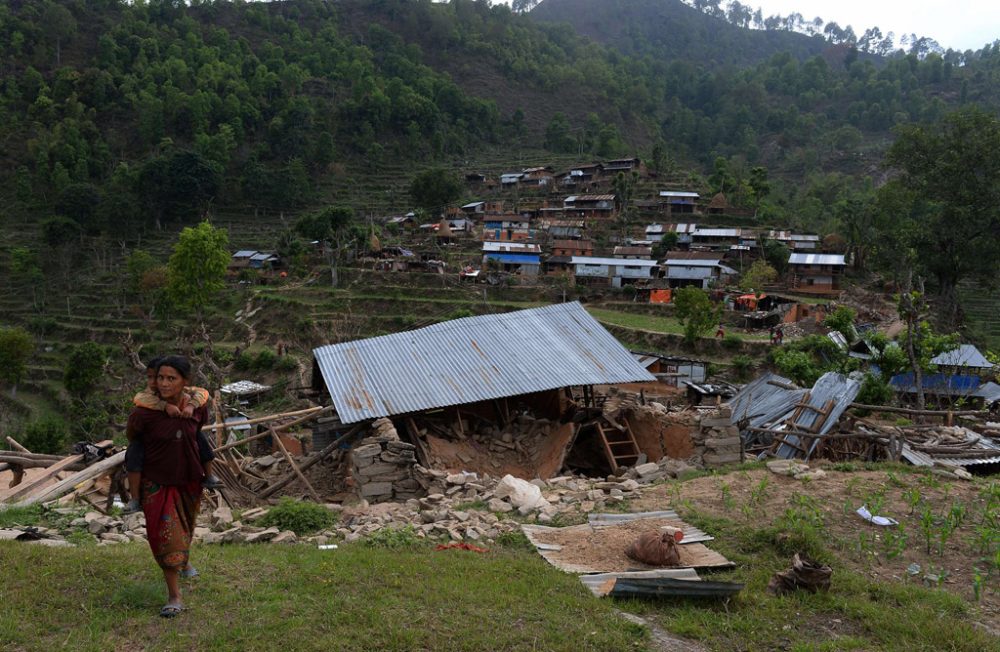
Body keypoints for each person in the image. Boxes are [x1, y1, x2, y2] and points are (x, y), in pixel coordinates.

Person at [126, 356, 211, 618]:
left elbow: (198, 432)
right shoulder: (144, 413)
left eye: (171, 378)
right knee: (165, 536)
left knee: (185, 528)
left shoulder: (197, 407)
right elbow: (133, 438)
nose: (163, 383)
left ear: (186, 382)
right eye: (160, 377)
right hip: (158, 483)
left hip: (188, 481)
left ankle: (184, 563)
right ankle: (174, 595)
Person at [123, 358, 221, 515]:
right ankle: (135, 499)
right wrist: (165, 406)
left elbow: (203, 394)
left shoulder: (189, 394)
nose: (157, 382)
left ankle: (208, 476)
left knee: (200, 440)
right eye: (155, 377)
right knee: (134, 454)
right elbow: (134, 425)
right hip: (147, 447)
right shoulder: (145, 399)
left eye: (168, 378)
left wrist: (191, 405)